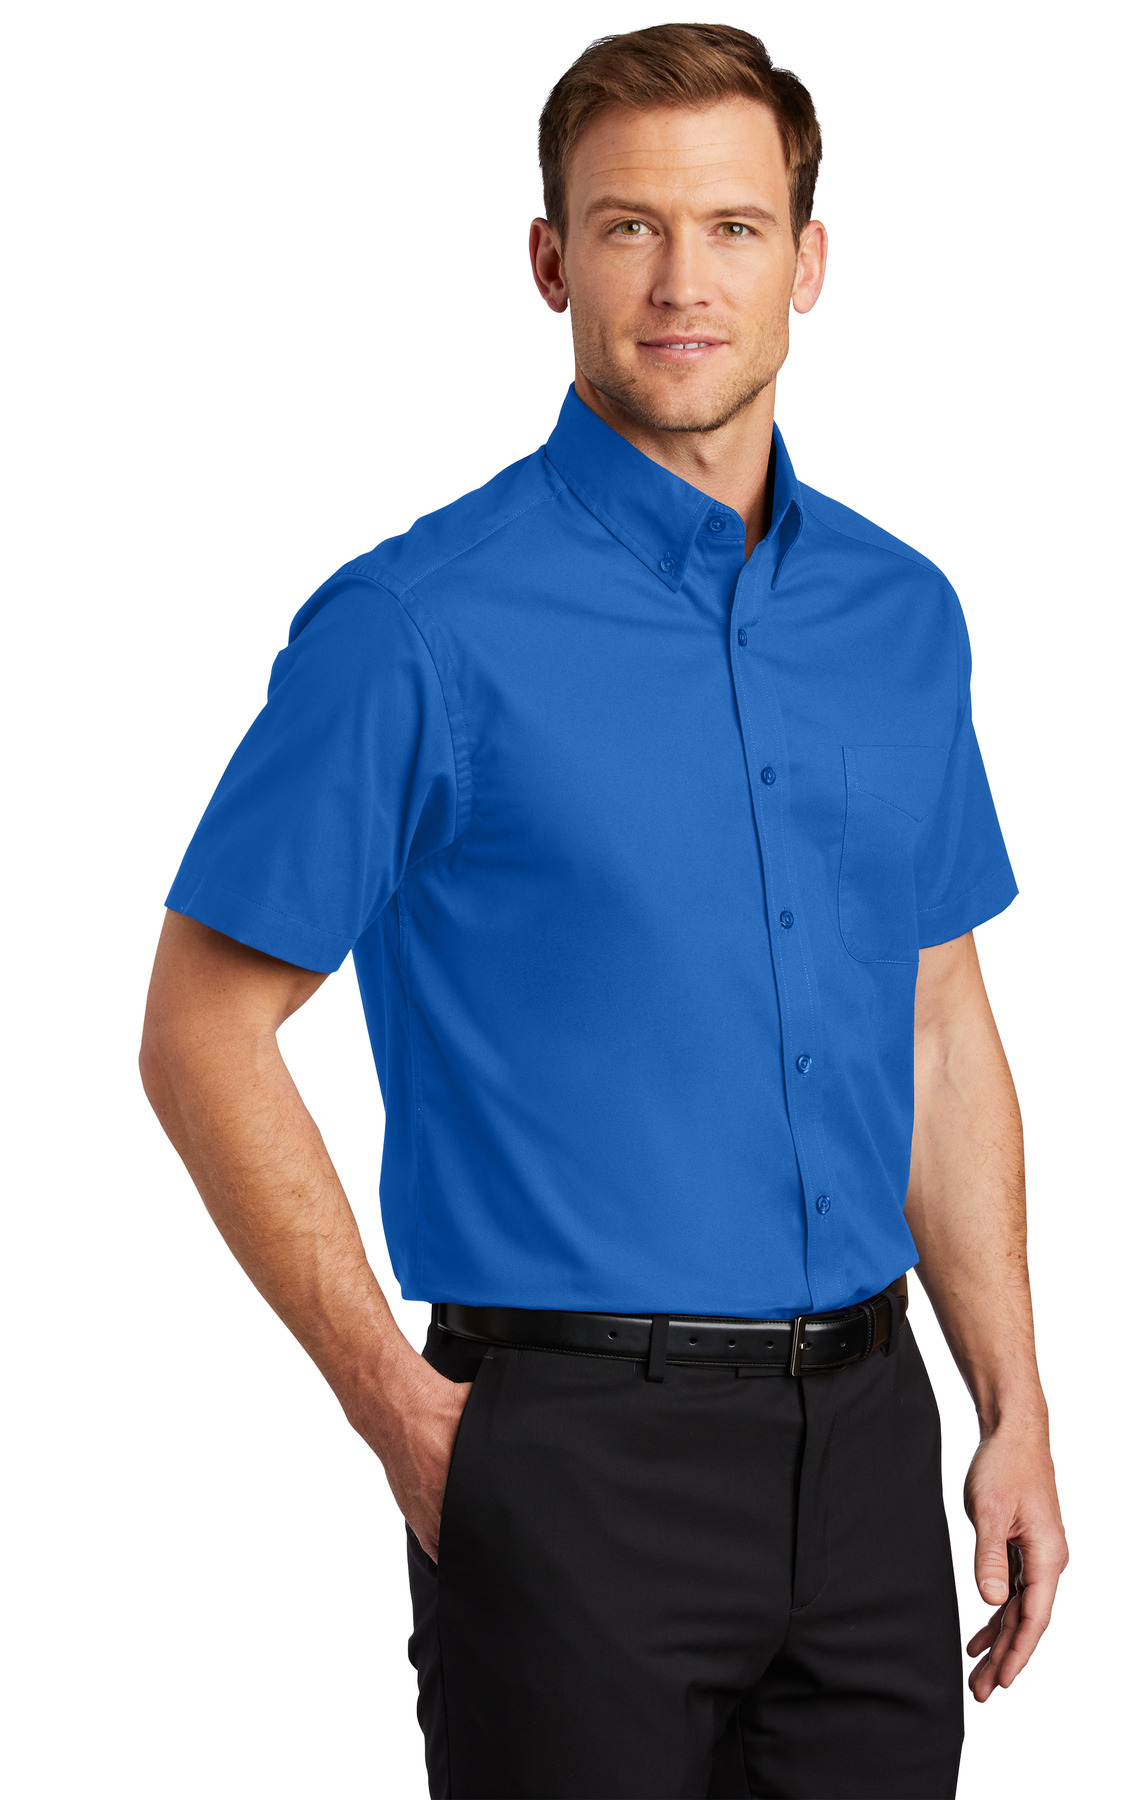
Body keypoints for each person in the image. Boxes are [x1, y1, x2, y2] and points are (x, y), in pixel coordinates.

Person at [140, 22, 1067, 1799]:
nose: (682, 281)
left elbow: (939, 1017)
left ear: (808, 261)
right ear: (551, 261)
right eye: (629, 227)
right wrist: (402, 1415)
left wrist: (1012, 1403)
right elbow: (200, 1029)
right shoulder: (415, 624)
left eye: (732, 228)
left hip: (873, 1448)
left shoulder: (903, 616)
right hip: (569, 1459)